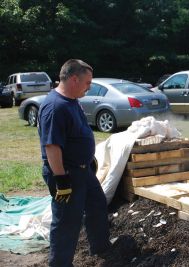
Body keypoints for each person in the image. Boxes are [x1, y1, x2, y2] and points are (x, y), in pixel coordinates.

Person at [38, 59, 111, 266]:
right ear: (74, 79)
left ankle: (102, 249)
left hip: (83, 171)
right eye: (87, 82)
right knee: (67, 222)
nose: (89, 86)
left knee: (97, 206)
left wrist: (88, 159)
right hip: (66, 173)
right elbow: (52, 147)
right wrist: (61, 179)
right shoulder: (55, 107)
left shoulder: (71, 100)